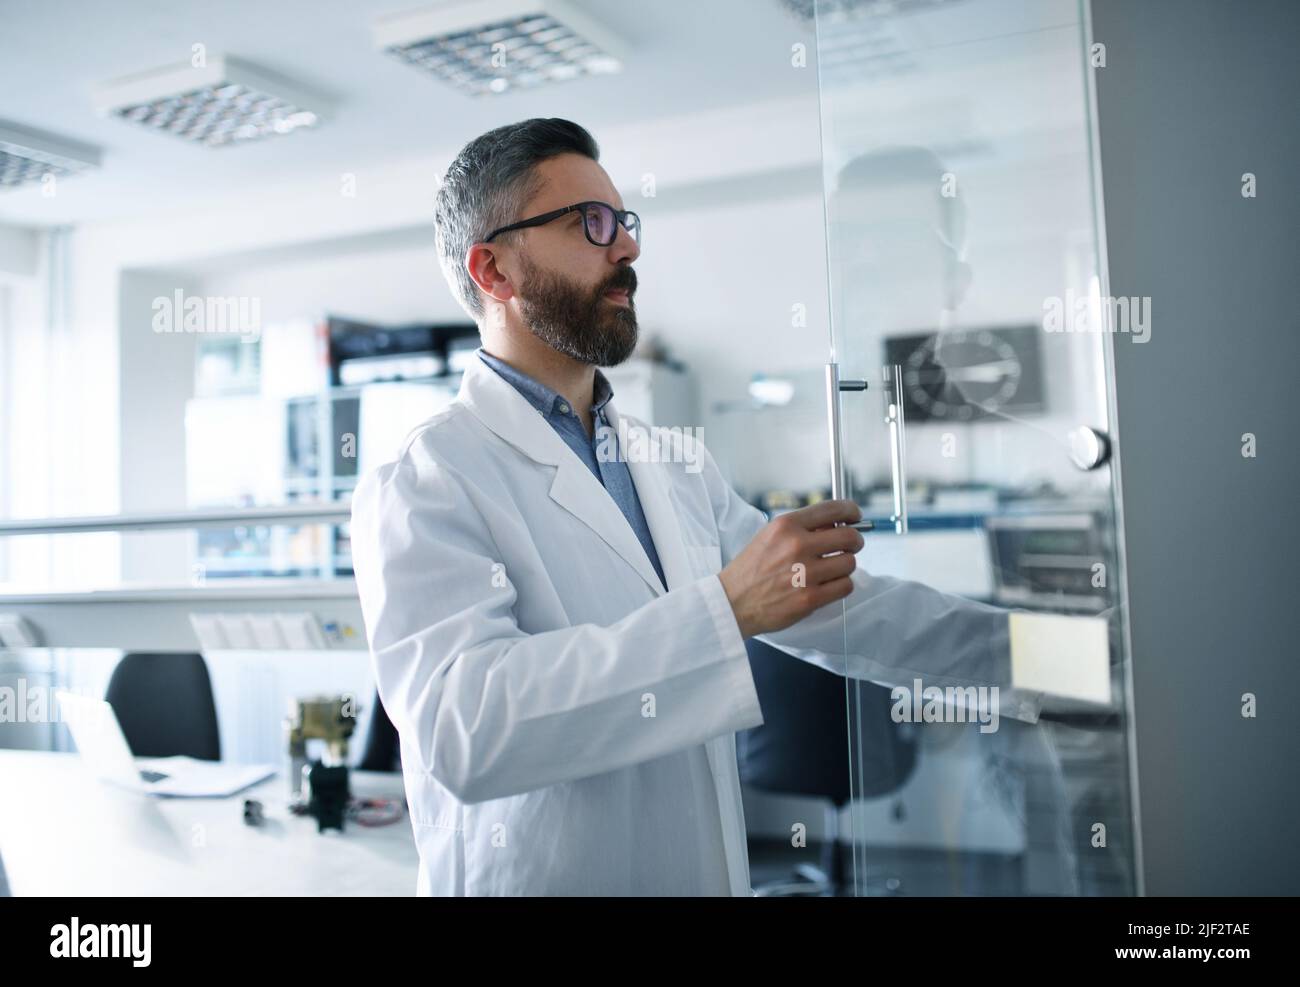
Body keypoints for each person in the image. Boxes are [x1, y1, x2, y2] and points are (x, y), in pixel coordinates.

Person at [350, 118, 1044, 896]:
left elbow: (853, 612)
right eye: (592, 224)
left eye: (624, 222)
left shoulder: (670, 460)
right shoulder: (426, 477)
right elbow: (467, 732)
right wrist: (724, 608)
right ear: (495, 270)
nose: (628, 249)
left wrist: (1070, 660)